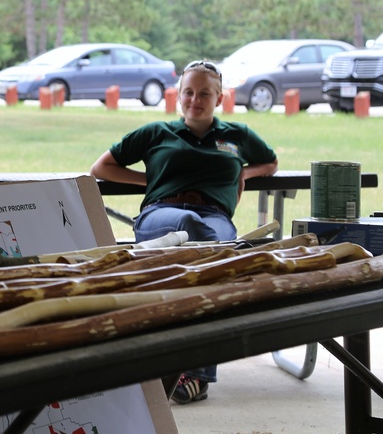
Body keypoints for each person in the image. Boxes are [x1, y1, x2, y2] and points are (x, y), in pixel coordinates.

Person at [89, 59, 278, 405]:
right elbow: (101, 166)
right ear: (179, 95)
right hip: (162, 214)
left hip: (215, 216)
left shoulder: (237, 136)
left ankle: (195, 374)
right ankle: (193, 372)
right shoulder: (157, 133)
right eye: (189, 92)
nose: (195, 99)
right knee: (211, 247)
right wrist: (150, 181)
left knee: (217, 248)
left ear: (219, 98)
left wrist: (245, 174)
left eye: (205, 93)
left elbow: (271, 162)